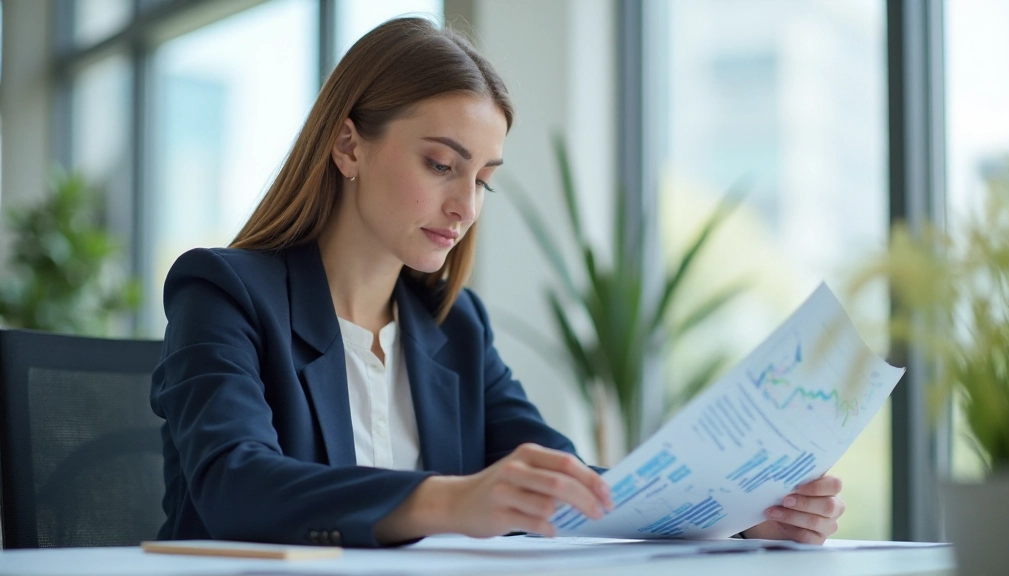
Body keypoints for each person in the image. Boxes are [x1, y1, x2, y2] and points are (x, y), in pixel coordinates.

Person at [151, 16, 845, 548]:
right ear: (349, 145)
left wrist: (739, 518)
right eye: (440, 165)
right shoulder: (224, 291)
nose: (465, 207)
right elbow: (233, 485)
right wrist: (452, 501)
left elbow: (564, 485)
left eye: (483, 179)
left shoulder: (452, 327)